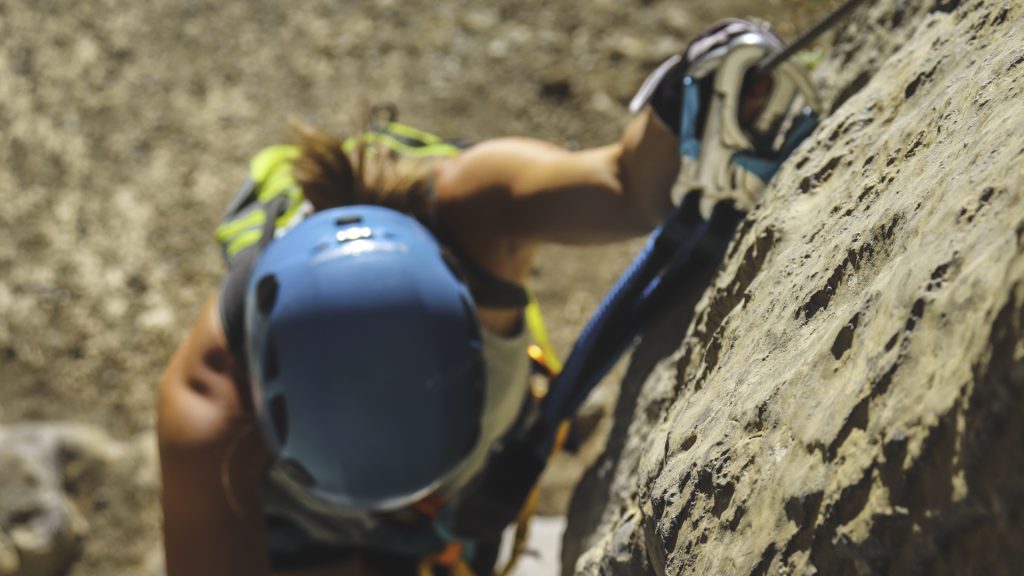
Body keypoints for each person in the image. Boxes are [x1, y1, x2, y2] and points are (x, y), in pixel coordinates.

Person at [157, 19, 816, 576]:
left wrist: (690, 103)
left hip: (458, 490)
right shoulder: (207, 422)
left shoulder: (477, 210)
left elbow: (627, 186)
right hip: (306, 531)